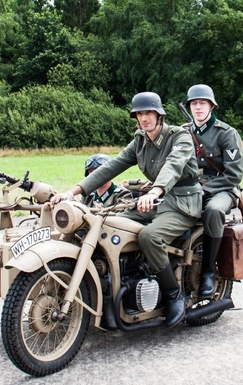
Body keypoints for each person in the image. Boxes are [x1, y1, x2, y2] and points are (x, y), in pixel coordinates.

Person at [51, 92, 202, 328]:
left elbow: (174, 165)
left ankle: (174, 295)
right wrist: (72, 193)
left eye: (149, 113)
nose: (144, 118)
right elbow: (111, 167)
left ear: (159, 115)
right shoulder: (140, 141)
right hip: (156, 200)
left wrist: (155, 191)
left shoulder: (179, 137)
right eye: (139, 114)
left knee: (149, 236)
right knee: (107, 221)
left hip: (182, 202)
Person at [185, 84, 243, 299]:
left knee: (213, 210)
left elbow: (234, 174)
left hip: (223, 187)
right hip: (190, 187)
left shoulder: (226, 133)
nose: (198, 107)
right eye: (194, 103)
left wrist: (204, 189)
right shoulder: (184, 132)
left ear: (211, 106)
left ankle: (209, 272)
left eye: (202, 103)